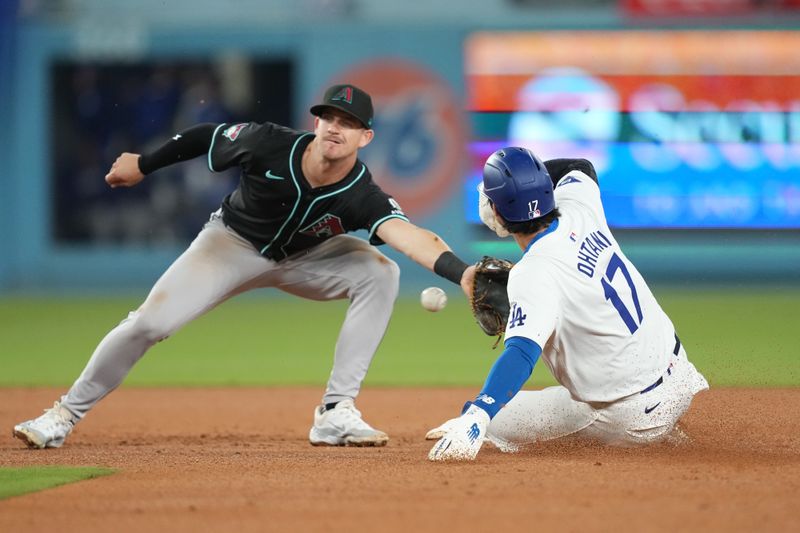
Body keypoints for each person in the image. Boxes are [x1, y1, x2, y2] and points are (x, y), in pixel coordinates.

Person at [13, 84, 474, 450]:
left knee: (381, 271)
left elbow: (412, 237)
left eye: (349, 123)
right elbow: (205, 135)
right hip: (230, 244)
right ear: (316, 122)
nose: (336, 127)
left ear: (365, 137)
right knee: (150, 323)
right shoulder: (269, 143)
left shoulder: (362, 193)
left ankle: (336, 412)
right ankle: (64, 414)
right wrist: (145, 164)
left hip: (306, 260)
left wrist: (463, 274)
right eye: (330, 117)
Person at [427, 147, 709, 461]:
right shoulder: (578, 206)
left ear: (498, 210)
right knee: (559, 400)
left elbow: (521, 353)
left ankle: (649, 436)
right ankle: (664, 429)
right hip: (680, 377)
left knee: (496, 421)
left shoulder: (534, 272)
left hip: (629, 416)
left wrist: (480, 413)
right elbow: (580, 165)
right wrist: (526, 183)